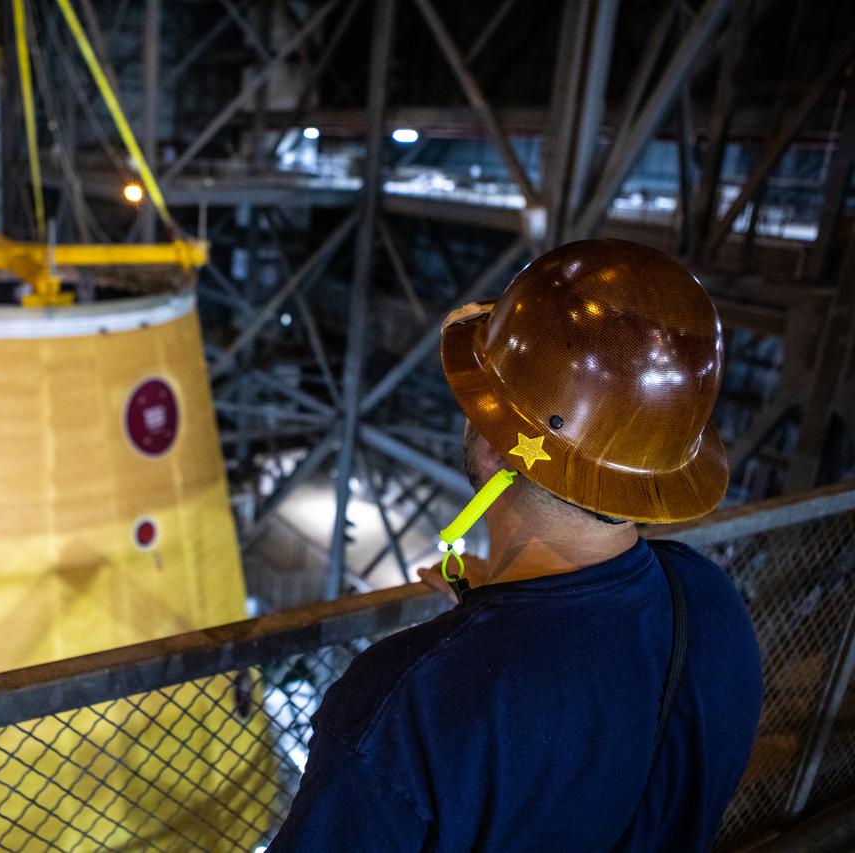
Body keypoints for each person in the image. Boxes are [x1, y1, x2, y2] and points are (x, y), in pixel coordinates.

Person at [269, 239, 763, 852]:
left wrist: (478, 645)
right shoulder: (711, 602)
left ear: (499, 446)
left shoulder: (405, 707)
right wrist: (494, 622)